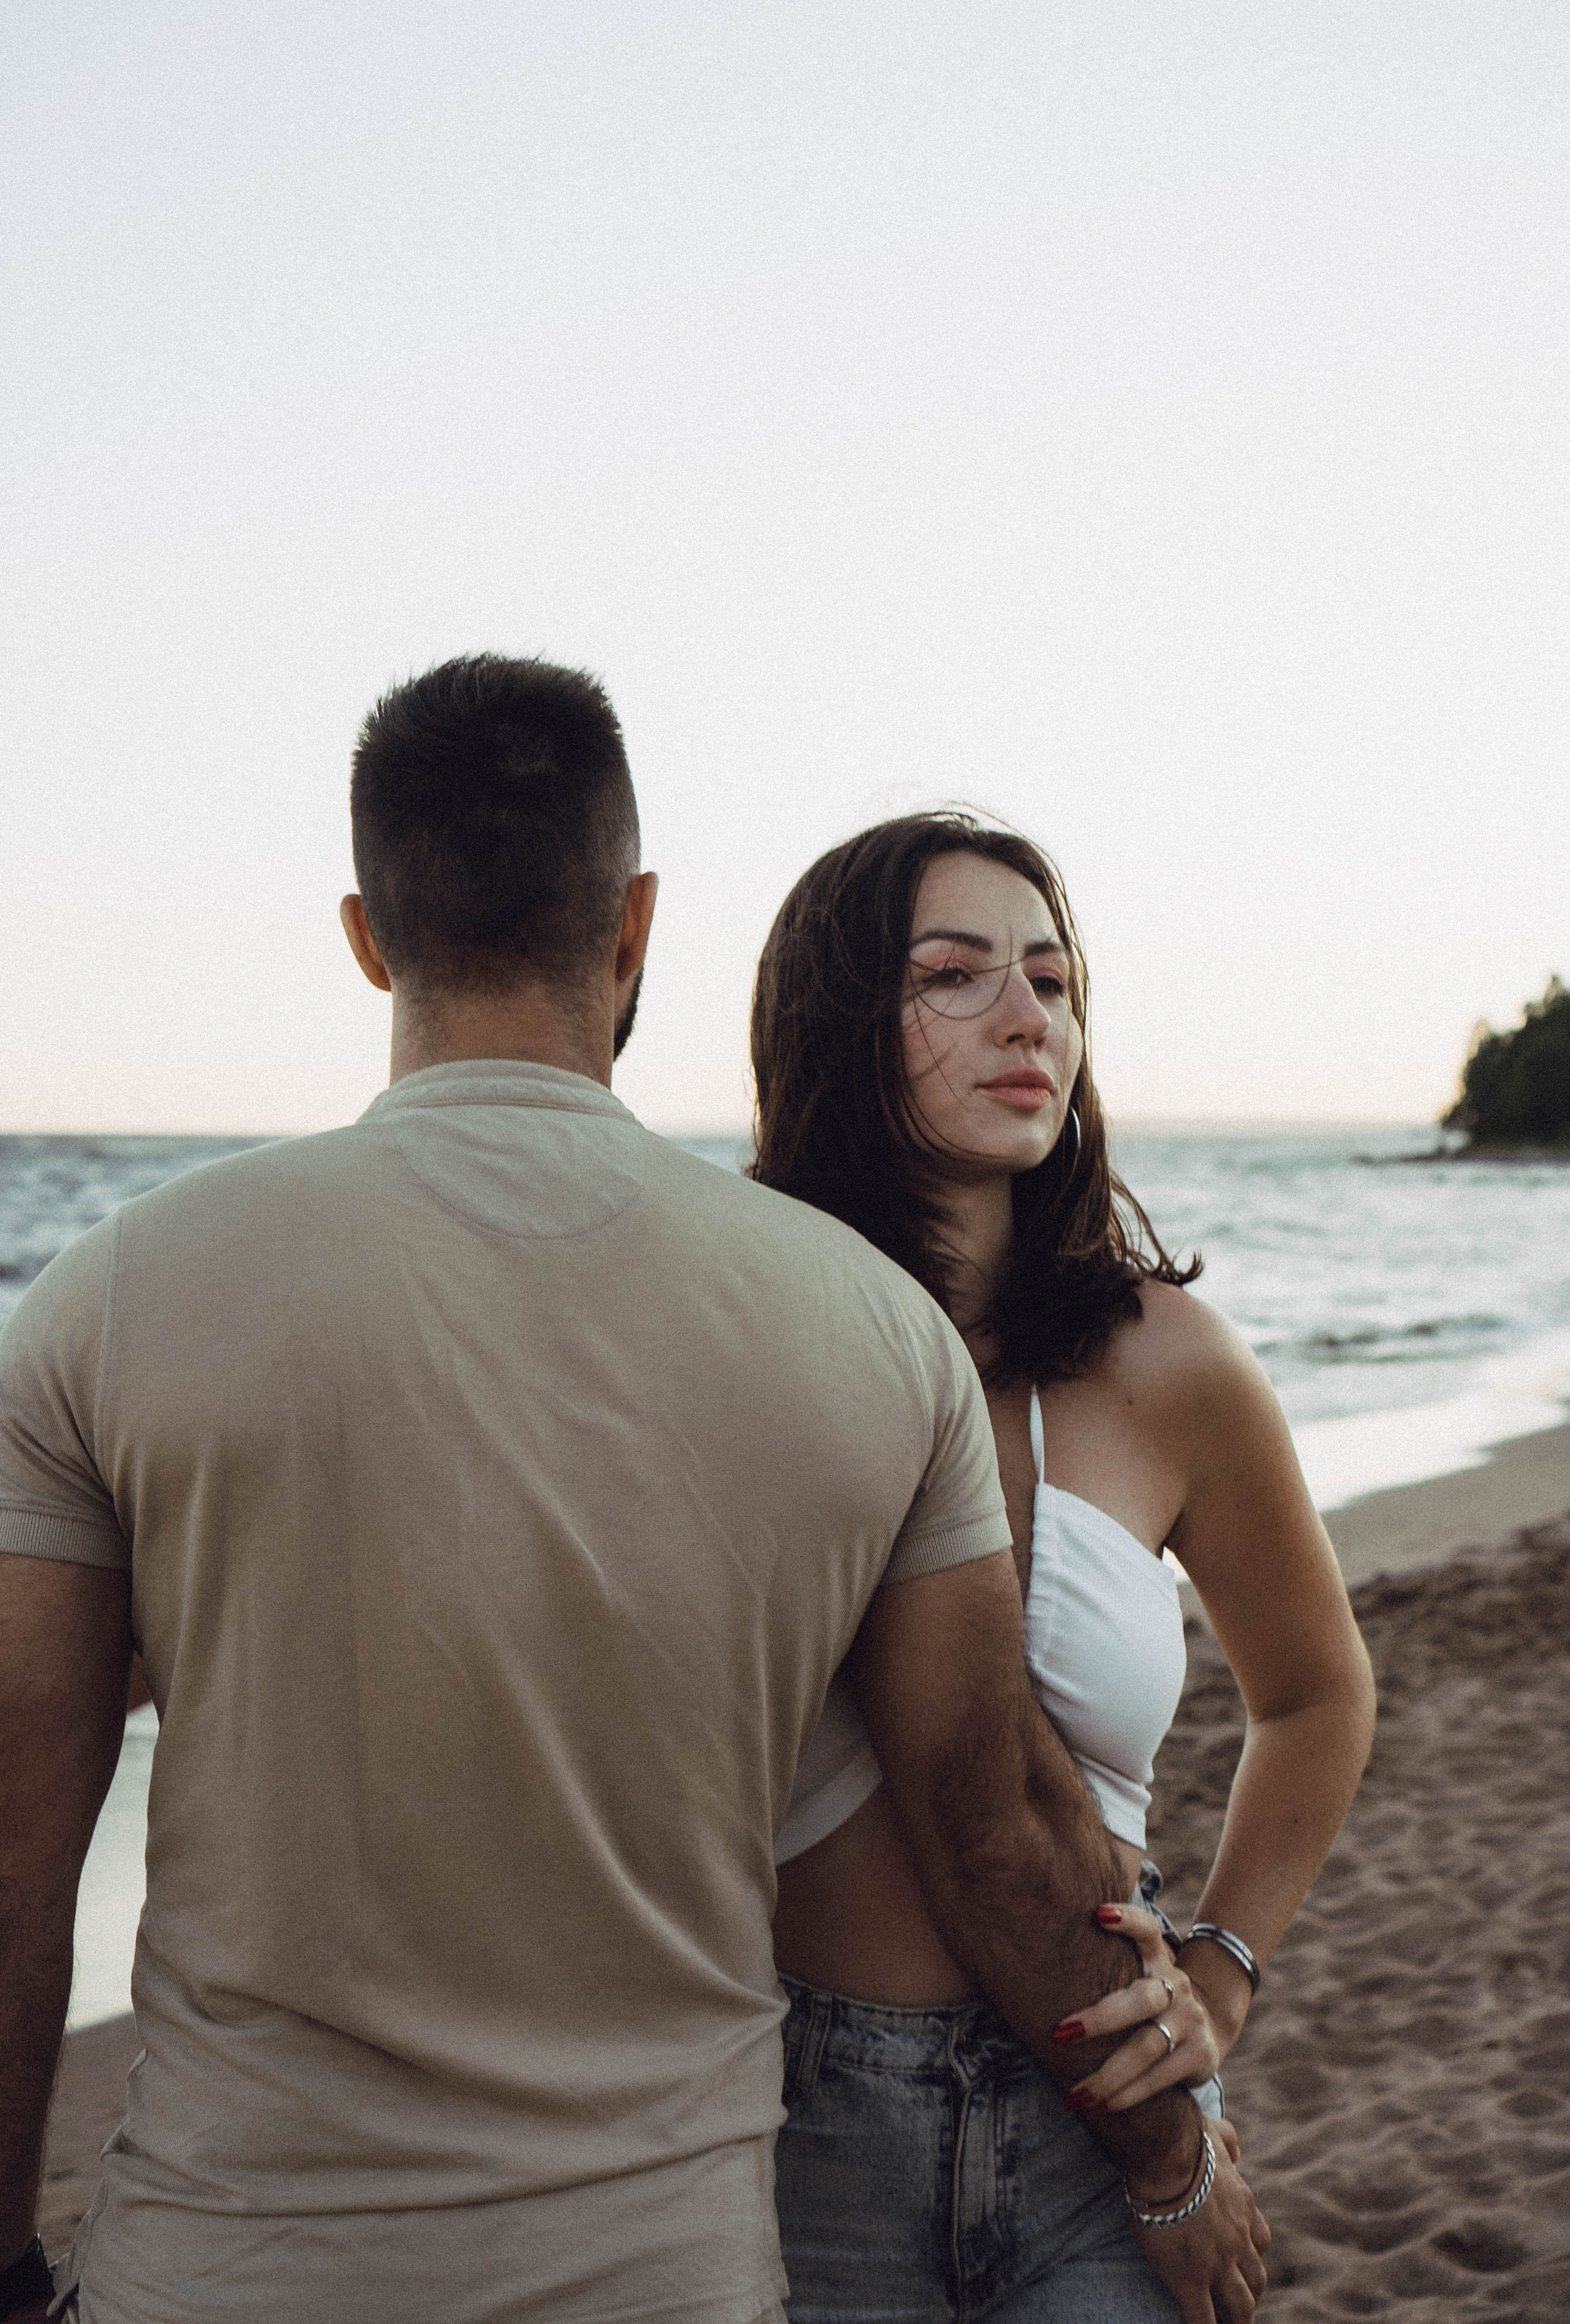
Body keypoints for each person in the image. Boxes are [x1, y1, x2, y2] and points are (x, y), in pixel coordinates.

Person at [0, 664, 1267, 2324]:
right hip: (664, 2276)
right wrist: (1173, 2158)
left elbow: (23, 1828)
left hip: (223, 2269)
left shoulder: (109, 1301)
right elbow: (993, 1828)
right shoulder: (867, 1331)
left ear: (369, 936)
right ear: (637, 925)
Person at [751, 811, 1376, 2321]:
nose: (1027, 1017)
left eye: (1050, 976)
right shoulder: (749, 1344)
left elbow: (1313, 1695)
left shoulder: (1163, 1364)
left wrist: (1221, 1970)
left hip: (1108, 2106)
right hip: (798, 2117)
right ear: (840, 1023)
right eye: (953, 975)